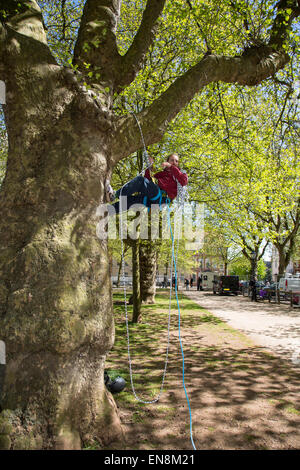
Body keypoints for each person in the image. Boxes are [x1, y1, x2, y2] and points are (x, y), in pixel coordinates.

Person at [106, 153, 188, 214]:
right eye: (172, 160)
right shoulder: (160, 174)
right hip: (150, 198)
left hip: (160, 199)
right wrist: (149, 168)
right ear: (167, 161)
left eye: (176, 161)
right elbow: (147, 181)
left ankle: (115, 195)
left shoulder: (181, 174)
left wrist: (171, 167)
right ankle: (106, 211)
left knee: (140, 180)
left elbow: (184, 181)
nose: (174, 162)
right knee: (130, 201)